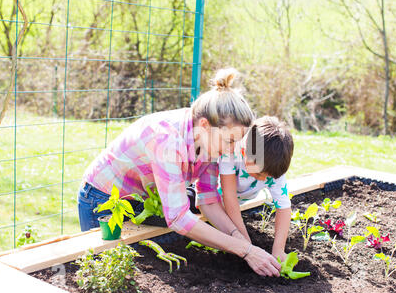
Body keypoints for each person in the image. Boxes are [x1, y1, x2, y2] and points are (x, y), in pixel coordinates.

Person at [77, 68, 282, 277]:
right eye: (229, 141)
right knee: (113, 273)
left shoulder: (209, 143)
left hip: (139, 201)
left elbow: (208, 199)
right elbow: (178, 218)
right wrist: (245, 251)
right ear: (204, 125)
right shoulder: (167, 140)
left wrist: (242, 241)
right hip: (102, 200)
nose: (231, 150)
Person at [219, 116, 294, 262]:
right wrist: (246, 244)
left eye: (269, 176)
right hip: (216, 200)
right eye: (259, 174)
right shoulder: (230, 153)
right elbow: (229, 198)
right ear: (243, 153)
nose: (263, 179)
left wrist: (278, 249)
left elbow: (284, 208)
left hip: (240, 200)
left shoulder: (273, 167)